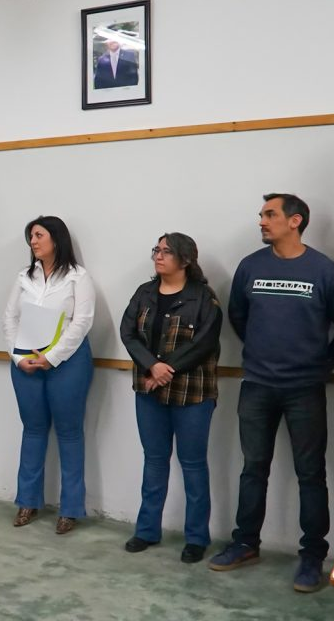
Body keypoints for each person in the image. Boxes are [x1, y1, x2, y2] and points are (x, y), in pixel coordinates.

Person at [208, 193, 334, 593]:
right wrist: (261, 352)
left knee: (311, 474)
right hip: (257, 385)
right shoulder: (251, 266)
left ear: (295, 221)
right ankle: (245, 543)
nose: (262, 221)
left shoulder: (324, 270)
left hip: (305, 388)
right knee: (253, 468)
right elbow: (238, 316)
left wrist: (323, 363)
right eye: (262, 215)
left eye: (270, 214)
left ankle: (312, 556)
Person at [119, 233, 222, 563]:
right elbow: (128, 333)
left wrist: (167, 369)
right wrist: (152, 366)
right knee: (154, 460)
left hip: (192, 393)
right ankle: (147, 530)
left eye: (167, 251)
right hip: (149, 391)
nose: (158, 256)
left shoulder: (203, 297)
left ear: (186, 259)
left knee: (193, 465)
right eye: (157, 250)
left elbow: (204, 343)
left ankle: (196, 538)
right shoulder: (144, 293)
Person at [2, 215, 95, 534]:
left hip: (68, 363)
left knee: (69, 432)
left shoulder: (78, 277)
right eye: (31, 236)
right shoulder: (24, 277)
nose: (33, 241)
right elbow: (9, 319)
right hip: (26, 363)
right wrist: (18, 358)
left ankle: (70, 509)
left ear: (57, 238)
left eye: (39, 235)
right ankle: (27, 501)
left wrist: (52, 357)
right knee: (33, 429)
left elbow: (82, 322)